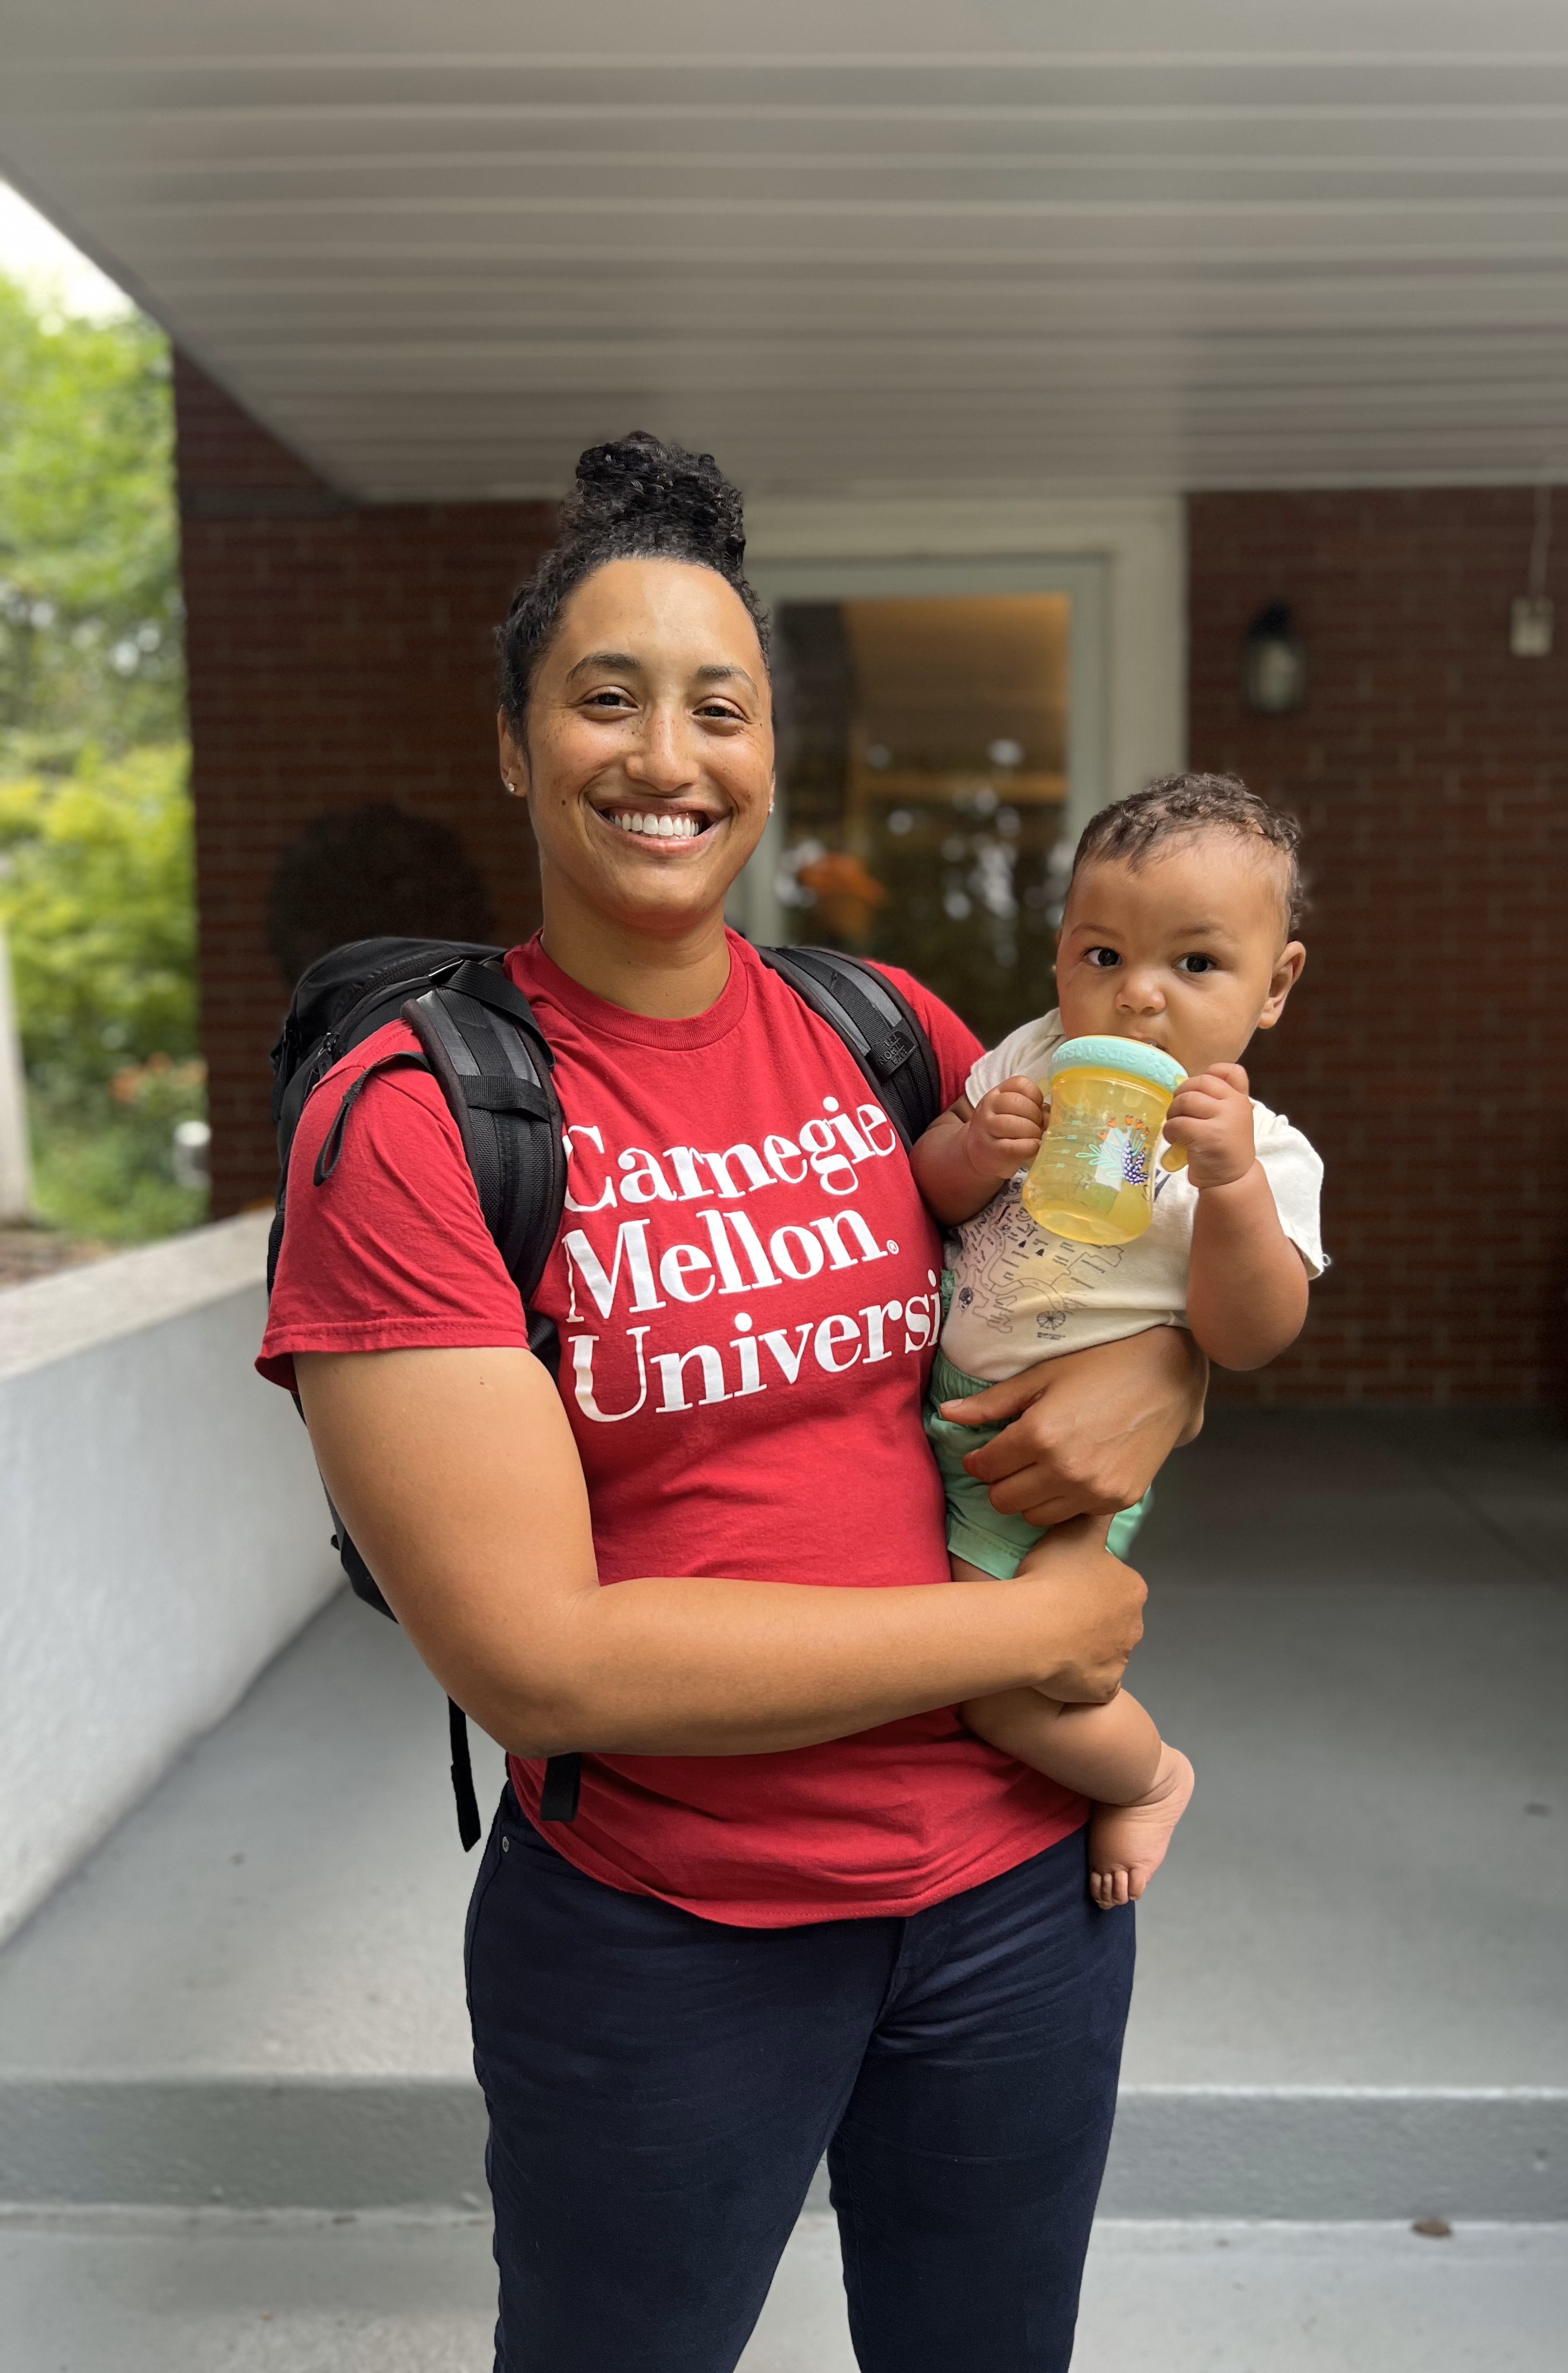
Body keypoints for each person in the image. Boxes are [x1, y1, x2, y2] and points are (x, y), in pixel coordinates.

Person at [256, 431, 1207, 2373]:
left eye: (719, 705)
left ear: (769, 750)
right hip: (668, 1934)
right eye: (604, 698)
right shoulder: (423, 1121)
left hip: (1016, 1893)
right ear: (520, 745)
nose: (665, 757)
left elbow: (1104, 1293)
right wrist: (1029, 1627)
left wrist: (1169, 1376)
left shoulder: (886, 1038)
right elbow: (544, 1661)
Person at [912, 777, 1327, 1912]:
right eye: (1103, 956)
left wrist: (1231, 1184)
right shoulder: (1028, 1064)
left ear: (1273, 985)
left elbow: (1251, 1335)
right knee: (931, 1631)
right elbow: (928, 1201)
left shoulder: (1265, 1155)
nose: (1138, 998)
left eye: (1195, 965)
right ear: (1060, 959)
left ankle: (1145, 1776)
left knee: (1002, 1684)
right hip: (948, 1401)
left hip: (1070, 1463)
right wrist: (971, 1146)